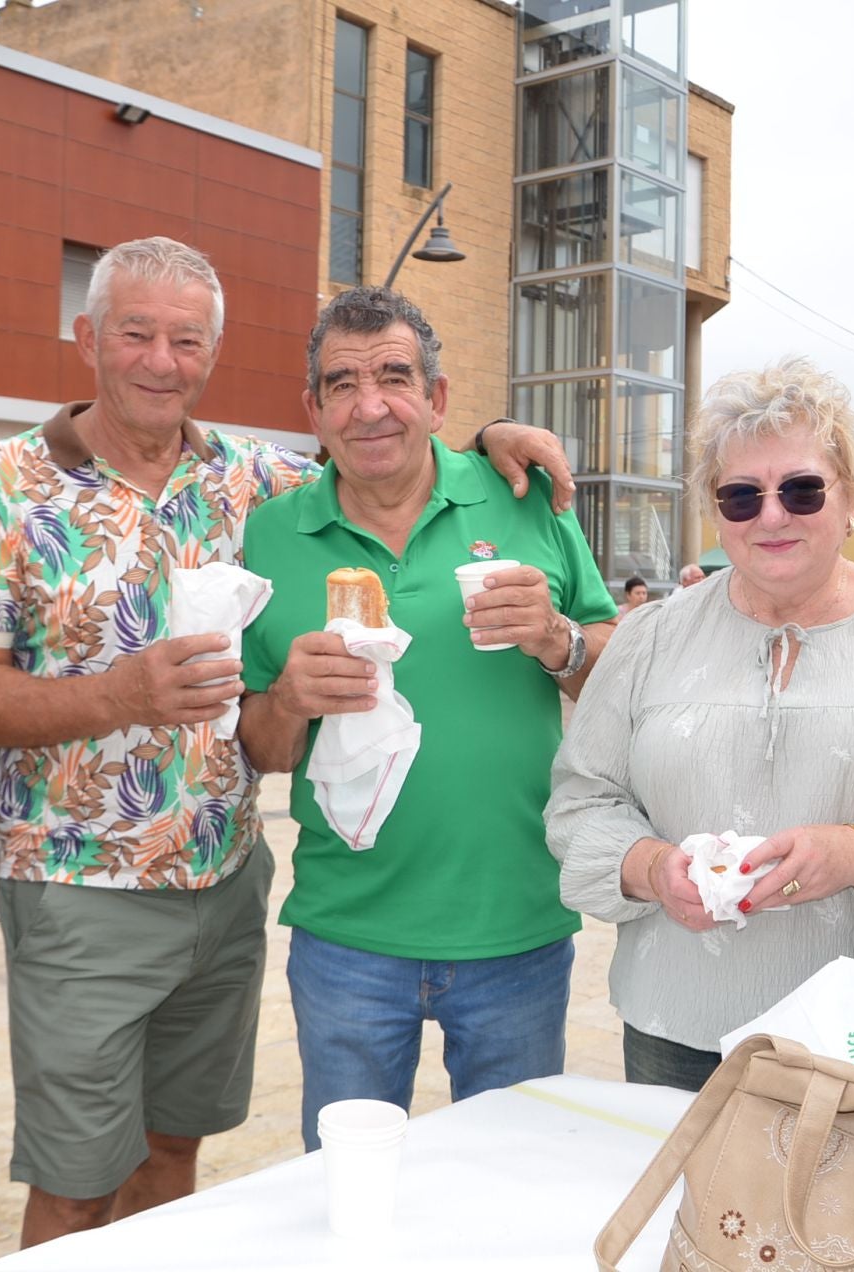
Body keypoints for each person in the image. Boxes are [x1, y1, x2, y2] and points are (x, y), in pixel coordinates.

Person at [0, 249, 568, 1246]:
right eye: (137, 334)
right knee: (74, 1180)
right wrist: (121, 693)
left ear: (214, 353)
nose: (161, 360)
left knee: (174, 1152)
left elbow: (385, 448)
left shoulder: (255, 482)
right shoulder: (1, 484)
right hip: (78, 885)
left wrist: (492, 437)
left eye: (187, 340)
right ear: (88, 339)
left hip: (226, 881)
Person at [238, 286, 618, 1151]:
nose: (371, 405)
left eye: (395, 378)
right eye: (342, 383)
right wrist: (289, 697)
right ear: (315, 410)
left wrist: (558, 640)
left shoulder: (525, 498)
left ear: (439, 400)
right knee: (353, 1196)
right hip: (347, 940)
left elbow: (619, 681)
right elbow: (260, 750)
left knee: (511, 1192)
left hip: (515, 928)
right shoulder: (271, 535)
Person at [547, 356, 854, 1090]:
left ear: (850, 498)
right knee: (684, 1207)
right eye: (742, 497)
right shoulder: (651, 636)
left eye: (801, 489)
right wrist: (653, 870)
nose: (773, 515)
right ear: (714, 512)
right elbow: (582, 801)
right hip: (677, 1029)